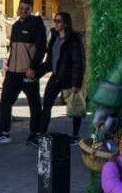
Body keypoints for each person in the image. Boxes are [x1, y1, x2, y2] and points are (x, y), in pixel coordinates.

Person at [0, 0, 47, 144]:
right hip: (12, 73)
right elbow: (13, 50)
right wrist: (8, 67)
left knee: (34, 103)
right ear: (18, 8)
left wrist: (33, 68)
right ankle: (4, 132)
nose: (23, 11)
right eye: (21, 8)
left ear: (31, 9)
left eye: (27, 8)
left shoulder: (37, 25)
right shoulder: (15, 26)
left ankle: (35, 134)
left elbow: (41, 49)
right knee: (5, 101)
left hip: (28, 72)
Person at [32, 12, 86, 146]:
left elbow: (78, 63)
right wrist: (36, 73)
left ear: (66, 24)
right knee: (47, 104)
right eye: (54, 20)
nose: (55, 23)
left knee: (75, 106)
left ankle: (75, 135)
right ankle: (42, 134)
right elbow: (50, 61)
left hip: (68, 78)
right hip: (56, 76)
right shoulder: (54, 37)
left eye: (58, 21)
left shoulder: (74, 40)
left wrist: (76, 83)